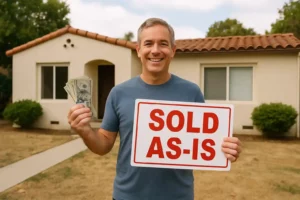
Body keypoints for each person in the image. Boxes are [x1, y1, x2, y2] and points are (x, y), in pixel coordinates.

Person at [68, 17, 242, 200]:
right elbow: (103, 145)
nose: (156, 50)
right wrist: (85, 131)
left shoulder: (192, 92)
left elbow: (205, 142)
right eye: (148, 43)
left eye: (163, 44)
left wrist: (226, 149)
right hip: (127, 196)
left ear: (173, 51)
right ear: (139, 50)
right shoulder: (118, 93)